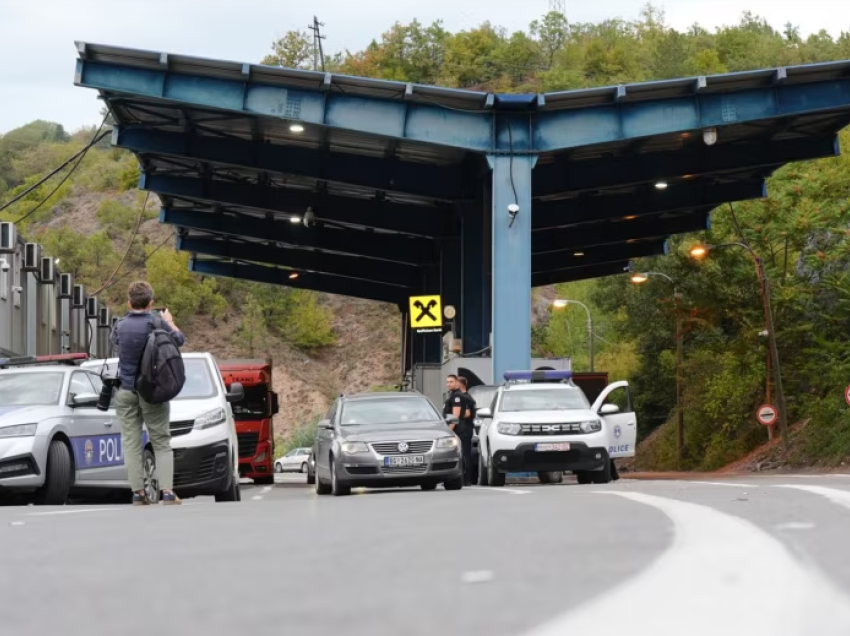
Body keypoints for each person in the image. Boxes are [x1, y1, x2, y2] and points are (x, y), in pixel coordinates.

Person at [111, 281, 186, 506]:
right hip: (152, 392)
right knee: (161, 441)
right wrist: (170, 322)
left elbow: (115, 345)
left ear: (129, 302)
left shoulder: (120, 325)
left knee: (131, 443)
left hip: (125, 391)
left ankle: (138, 493)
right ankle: (168, 493)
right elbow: (179, 340)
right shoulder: (156, 322)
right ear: (151, 302)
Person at [455, 376, 476, 486]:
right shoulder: (467, 397)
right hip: (465, 429)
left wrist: (455, 415)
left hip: (465, 429)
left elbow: (467, 413)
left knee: (465, 454)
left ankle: (467, 479)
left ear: (460, 384)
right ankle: (466, 479)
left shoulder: (465, 397)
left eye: (455, 382)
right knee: (465, 454)